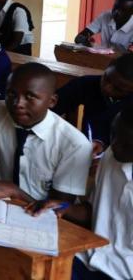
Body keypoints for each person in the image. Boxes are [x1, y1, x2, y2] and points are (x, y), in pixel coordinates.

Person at [0, 63, 92, 207]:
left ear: (52, 101)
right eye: (11, 94)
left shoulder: (74, 144)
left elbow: (60, 208)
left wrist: (15, 192)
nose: (17, 103)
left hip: (39, 217)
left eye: (30, 96)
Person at [68, 102, 133, 280]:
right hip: (89, 256)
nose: (115, 146)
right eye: (113, 135)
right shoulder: (112, 155)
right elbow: (96, 212)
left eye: (127, 145)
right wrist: (64, 208)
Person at [53, 54, 133, 153]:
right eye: (106, 78)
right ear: (107, 67)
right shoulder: (88, 84)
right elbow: (50, 108)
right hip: (85, 148)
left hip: (118, 158)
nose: (107, 88)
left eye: (118, 89)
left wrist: (104, 148)